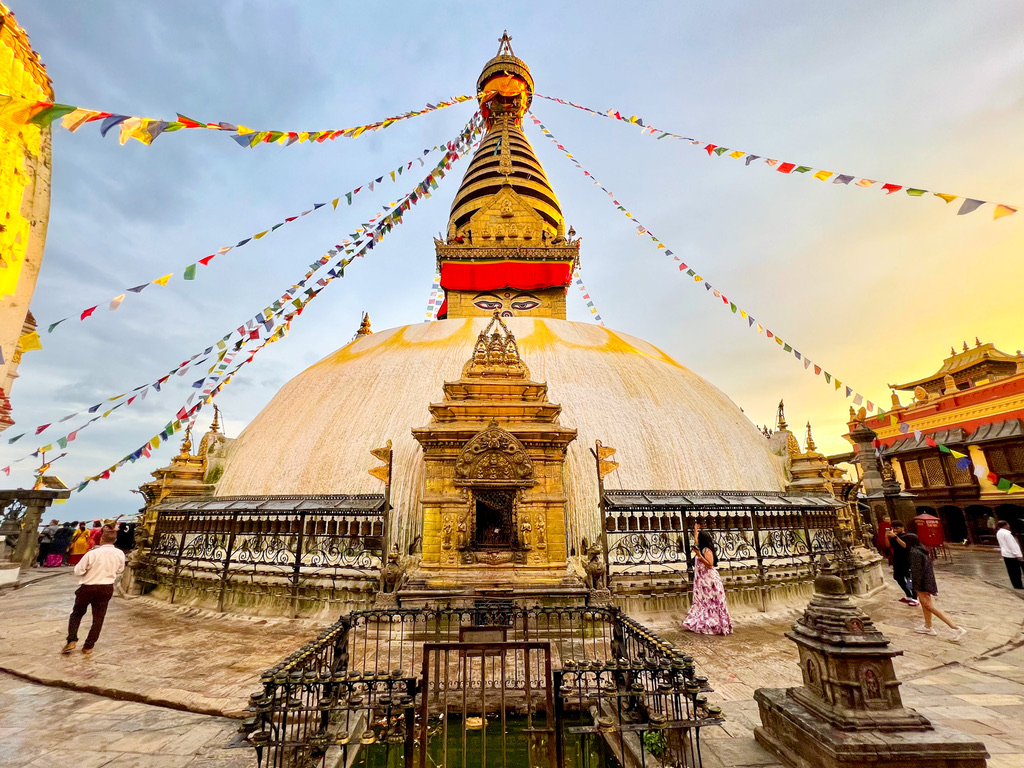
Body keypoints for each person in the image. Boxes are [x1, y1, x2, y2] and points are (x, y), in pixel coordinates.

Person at [62, 526, 125, 655]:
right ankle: (89, 646)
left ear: (101, 539)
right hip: (106, 587)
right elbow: (120, 570)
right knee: (99, 618)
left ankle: (71, 640)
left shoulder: (93, 553)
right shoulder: (119, 553)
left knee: (77, 614)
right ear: (115, 540)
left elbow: (78, 570)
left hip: (88, 587)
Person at [905, 533, 966, 641]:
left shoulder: (914, 553)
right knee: (925, 605)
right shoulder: (922, 550)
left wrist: (916, 587)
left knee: (929, 606)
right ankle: (928, 626)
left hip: (921, 583)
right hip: (928, 581)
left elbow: (917, 571)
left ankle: (955, 628)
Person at [682, 522, 733, 635]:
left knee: (711, 603)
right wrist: (695, 530)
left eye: (699, 538)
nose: (697, 541)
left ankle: (716, 625)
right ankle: (705, 623)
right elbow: (696, 540)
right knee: (703, 603)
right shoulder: (701, 547)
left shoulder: (706, 550)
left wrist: (699, 556)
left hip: (709, 581)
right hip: (702, 581)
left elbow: (710, 565)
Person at [885, 521, 918, 606]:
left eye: (897, 528)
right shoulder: (894, 537)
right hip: (898, 560)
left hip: (908, 560)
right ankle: (908, 595)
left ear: (902, 528)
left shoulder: (909, 536)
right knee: (898, 577)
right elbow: (888, 546)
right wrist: (886, 536)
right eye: (894, 528)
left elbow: (906, 546)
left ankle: (915, 598)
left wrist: (895, 537)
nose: (895, 530)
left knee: (909, 579)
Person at [995, 521, 1023, 590]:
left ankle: (1015, 584)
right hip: (1011, 554)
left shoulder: (999, 533)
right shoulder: (1007, 534)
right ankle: (1018, 584)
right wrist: (1018, 554)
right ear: (1005, 525)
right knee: (1016, 571)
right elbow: (1012, 545)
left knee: (1011, 571)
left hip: (1006, 553)